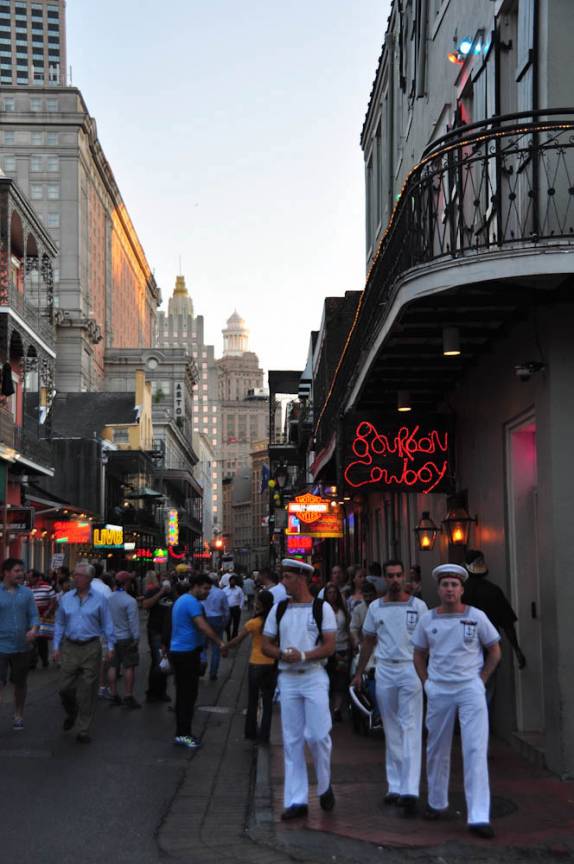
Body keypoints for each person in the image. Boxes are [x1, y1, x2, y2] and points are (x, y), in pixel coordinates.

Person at [412, 563, 501, 839]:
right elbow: (418, 654)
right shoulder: (428, 619)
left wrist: (481, 680)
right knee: (436, 748)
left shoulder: (477, 617)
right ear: (438, 589)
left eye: (454, 585)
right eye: (445, 585)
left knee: (475, 749)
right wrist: (427, 682)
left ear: (461, 589)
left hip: (469, 688)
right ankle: (436, 802)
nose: (449, 589)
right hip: (439, 688)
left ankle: (478, 815)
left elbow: (494, 651)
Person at [262, 558, 337, 821]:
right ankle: (297, 799)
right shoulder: (279, 609)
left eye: (287, 577)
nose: (283, 582)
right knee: (291, 739)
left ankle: (326, 784)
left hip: (314, 676)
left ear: (302, 578)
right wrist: (282, 654)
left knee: (318, 735)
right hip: (288, 679)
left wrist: (304, 656)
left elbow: (329, 645)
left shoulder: (322, 608)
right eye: (282, 577)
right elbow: (266, 644)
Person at [352, 559, 428, 816]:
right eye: (390, 576)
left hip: (410, 669)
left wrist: (428, 674)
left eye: (398, 575)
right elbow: (368, 642)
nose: (395, 580)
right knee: (391, 727)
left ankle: (410, 789)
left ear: (404, 576)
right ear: (384, 579)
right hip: (385, 668)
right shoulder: (375, 607)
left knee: (411, 727)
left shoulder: (419, 606)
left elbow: (427, 644)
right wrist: (359, 671)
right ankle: (394, 785)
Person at [53, 562, 115, 743]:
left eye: (79, 575)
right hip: (70, 647)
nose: (75, 578)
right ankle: (72, 712)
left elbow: (107, 624)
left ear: (88, 579)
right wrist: (56, 646)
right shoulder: (66, 598)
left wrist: (110, 647)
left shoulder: (100, 600)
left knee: (88, 689)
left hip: (91, 646)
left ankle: (83, 728)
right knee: (64, 688)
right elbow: (59, 623)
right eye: (75, 575)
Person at [169, 574, 227, 749]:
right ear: (194, 586)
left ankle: (182, 732)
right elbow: (201, 625)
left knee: (184, 695)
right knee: (187, 696)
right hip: (186, 654)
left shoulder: (183, 600)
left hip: (182, 651)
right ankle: (183, 734)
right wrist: (220, 642)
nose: (207, 592)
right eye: (205, 588)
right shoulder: (191, 603)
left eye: (209, 588)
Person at [463, 550, 526, 672]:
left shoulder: (458, 593)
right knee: (488, 687)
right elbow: (507, 624)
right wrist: (517, 649)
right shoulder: (493, 591)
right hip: (489, 646)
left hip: (465, 648)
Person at [226, 590, 276, 741]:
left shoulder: (253, 623)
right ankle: (265, 734)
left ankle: (250, 732)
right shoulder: (275, 622)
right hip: (271, 664)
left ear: (260, 603)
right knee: (267, 701)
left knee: (252, 700)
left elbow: (237, 640)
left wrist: (224, 647)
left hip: (256, 663)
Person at [0, 558, 39, 731]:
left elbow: (34, 615)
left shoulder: (27, 593)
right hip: (1, 646)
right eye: (16, 571)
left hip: (22, 646)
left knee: (20, 683)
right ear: (6, 573)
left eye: (21, 571)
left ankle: (18, 714)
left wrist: (33, 629)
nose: (21, 574)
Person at [108, 571, 141, 709]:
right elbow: (133, 622)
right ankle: (128, 695)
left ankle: (113, 695)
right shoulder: (130, 601)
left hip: (111, 637)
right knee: (129, 666)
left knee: (112, 666)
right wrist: (136, 638)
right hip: (126, 637)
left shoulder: (108, 598)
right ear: (127, 583)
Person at [142, 572, 173, 703]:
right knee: (158, 661)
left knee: (164, 662)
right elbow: (146, 604)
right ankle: (153, 692)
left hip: (168, 632)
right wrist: (161, 592)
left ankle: (160, 691)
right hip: (155, 630)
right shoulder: (154, 591)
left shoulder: (173, 594)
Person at [324, 583, 351, 722]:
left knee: (341, 680)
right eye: (330, 593)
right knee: (329, 680)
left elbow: (347, 628)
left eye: (335, 592)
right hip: (328, 650)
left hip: (342, 647)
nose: (332, 595)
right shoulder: (323, 610)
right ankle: (328, 708)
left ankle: (337, 709)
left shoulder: (343, 611)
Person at [201, 575, 229, 681]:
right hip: (217, 619)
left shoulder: (202, 592)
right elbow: (226, 611)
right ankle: (213, 673)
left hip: (203, 618)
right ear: (217, 581)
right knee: (216, 648)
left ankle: (203, 661)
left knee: (202, 645)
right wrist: (224, 623)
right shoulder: (221, 593)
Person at [27, 568, 56, 669]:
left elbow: (53, 601)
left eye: (30, 577)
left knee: (42, 641)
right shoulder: (26, 588)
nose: (28, 579)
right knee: (32, 640)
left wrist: (48, 611)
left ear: (36, 577)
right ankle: (32, 662)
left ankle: (44, 659)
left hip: (44, 618)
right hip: (31, 619)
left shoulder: (47, 587)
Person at [223, 575, 244, 640]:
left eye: (234, 581)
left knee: (236, 623)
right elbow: (222, 599)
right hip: (228, 609)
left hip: (236, 608)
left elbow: (242, 598)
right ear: (229, 582)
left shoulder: (239, 589)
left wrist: (240, 607)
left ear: (235, 582)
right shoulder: (225, 589)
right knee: (227, 624)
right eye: (231, 581)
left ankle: (234, 637)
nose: (232, 582)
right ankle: (228, 637)